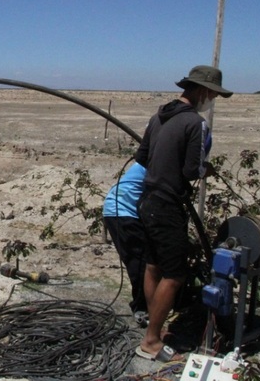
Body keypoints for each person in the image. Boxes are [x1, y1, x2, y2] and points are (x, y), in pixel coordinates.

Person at [134, 65, 232, 362]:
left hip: (147, 200)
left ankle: (155, 328)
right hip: (167, 206)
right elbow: (193, 170)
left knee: (154, 266)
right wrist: (207, 169)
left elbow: (142, 157)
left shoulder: (158, 116)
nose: (212, 100)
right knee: (175, 274)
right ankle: (150, 341)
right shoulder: (195, 123)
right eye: (213, 94)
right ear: (202, 91)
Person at [102, 162, 148, 326]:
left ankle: (144, 303)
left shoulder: (149, 160)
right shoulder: (156, 163)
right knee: (140, 261)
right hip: (121, 211)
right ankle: (141, 307)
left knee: (142, 259)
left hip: (120, 210)